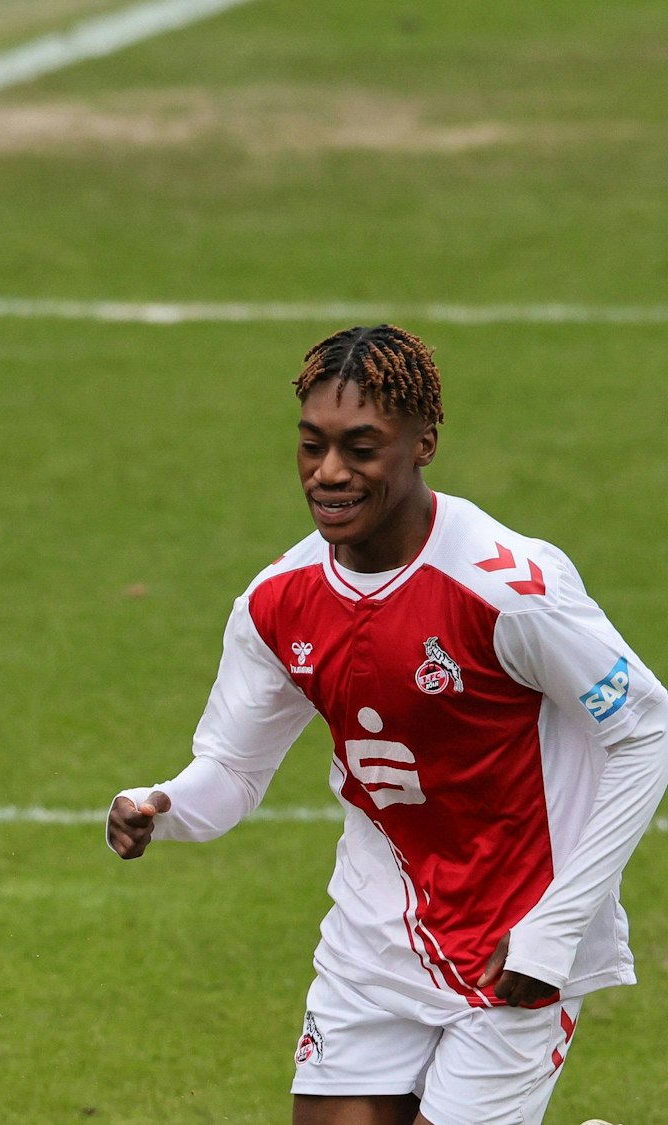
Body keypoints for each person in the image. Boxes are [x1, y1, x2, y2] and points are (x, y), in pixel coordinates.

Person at [107, 324, 667, 1125]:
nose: (329, 473)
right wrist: (163, 804)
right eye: (312, 446)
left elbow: (647, 730)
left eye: (361, 448)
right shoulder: (277, 601)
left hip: (514, 943)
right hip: (372, 944)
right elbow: (232, 767)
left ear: (422, 444)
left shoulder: (508, 590)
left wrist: (557, 926)